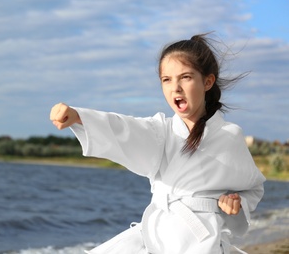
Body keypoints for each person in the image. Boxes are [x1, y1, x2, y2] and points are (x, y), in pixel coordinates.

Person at [49, 33, 265, 254]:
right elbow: (126, 129)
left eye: (186, 77)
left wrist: (236, 204)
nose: (176, 88)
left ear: (207, 81)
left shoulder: (229, 137)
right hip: (155, 235)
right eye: (167, 80)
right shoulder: (161, 131)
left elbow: (253, 188)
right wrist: (79, 117)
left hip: (200, 242)